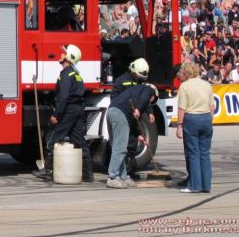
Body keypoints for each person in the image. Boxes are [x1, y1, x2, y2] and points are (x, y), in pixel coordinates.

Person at [33, 44, 94, 182]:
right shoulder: (76, 74)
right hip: (78, 109)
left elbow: (64, 97)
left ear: (69, 57)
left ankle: (48, 171)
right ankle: (87, 173)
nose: (61, 54)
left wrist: (56, 114)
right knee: (79, 141)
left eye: (64, 53)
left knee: (52, 139)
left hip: (68, 110)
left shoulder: (66, 75)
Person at [107, 83, 158, 188]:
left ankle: (122, 176)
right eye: (151, 100)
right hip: (120, 114)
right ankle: (112, 177)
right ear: (154, 95)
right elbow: (145, 98)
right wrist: (139, 109)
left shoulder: (135, 92)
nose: (149, 103)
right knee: (120, 148)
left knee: (119, 147)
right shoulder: (148, 90)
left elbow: (134, 123)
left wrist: (139, 135)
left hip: (113, 112)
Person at [110, 58, 154, 177]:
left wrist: (150, 112)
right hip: (124, 115)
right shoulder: (121, 81)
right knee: (123, 144)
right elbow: (115, 98)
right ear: (133, 71)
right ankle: (117, 174)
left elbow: (144, 99)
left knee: (132, 144)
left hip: (134, 116)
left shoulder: (140, 81)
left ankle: (128, 172)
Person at [176, 62, 214, 193]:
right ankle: (206, 185)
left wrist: (179, 125)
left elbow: (182, 107)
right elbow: (211, 107)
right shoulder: (206, 84)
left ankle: (195, 185)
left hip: (191, 118)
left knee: (193, 153)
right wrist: (209, 120)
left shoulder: (184, 86)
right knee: (205, 154)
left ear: (186, 73)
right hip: (206, 118)